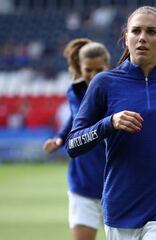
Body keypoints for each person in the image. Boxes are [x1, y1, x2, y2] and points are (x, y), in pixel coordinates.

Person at [66, 6, 156, 240]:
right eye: (136, 31)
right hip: (121, 206)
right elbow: (73, 144)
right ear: (126, 37)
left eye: (151, 32)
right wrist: (109, 123)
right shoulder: (104, 83)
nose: (142, 38)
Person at [43, 38, 110, 240]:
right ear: (80, 69)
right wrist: (60, 138)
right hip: (83, 182)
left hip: (115, 184)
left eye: (99, 70)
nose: (93, 75)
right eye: (88, 70)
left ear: (108, 66)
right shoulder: (74, 92)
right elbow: (75, 117)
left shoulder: (119, 91)